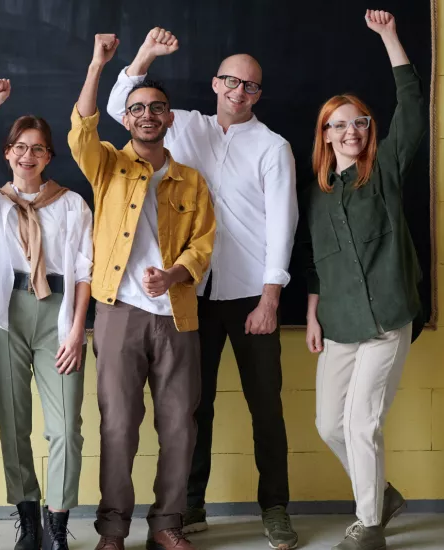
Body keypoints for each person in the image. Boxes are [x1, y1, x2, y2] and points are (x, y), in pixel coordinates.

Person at [106, 27, 299, 548]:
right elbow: (118, 105)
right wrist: (143, 55)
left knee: (266, 404)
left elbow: (284, 225)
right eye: (232, 81)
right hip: (188, 294)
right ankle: (191, 504)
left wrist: (270, 297)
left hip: (248, 295)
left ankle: (275, 506)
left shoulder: (273, 147)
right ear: (216, 83)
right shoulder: (182, 125)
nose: (239, 91)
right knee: (193, 406)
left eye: (251, 86)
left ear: (259, 94)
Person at [70, 33, 215, 550]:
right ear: (126, 118)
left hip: (177, 315)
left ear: (170, 117)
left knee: (179, 425)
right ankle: (113, 530)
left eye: (157, 108)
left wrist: (174, 274)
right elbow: (81, 129)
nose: (148, 115)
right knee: (119, 426)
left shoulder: (191, 181)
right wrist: (96, 65)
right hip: (119, 311)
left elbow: (203, 244)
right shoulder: (107, 165)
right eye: (138, 109)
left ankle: (168, 525)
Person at [303, 10, 423, 550]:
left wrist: (389, 36)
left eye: (360, 122)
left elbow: (413, 108)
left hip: (387, 320)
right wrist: (312, 315)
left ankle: (369, 525)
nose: (352, 131)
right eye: (340, 124)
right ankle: (383, 495)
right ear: (325, 136)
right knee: (330, 425)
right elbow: (316, 261)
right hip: (339, 325)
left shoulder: (387, 171)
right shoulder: (320, 195)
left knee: (362, 425)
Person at [0, 78, 93, 550]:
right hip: (5, 316)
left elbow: (84, 272)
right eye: (19, 148)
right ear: (8, 153)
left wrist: (78, 329)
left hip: (58, 314)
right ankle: (28, 520)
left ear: (49, 157)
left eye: (37, 149)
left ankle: (57, 523)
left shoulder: (73, 204)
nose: (27, 156)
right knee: (13, 424)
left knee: (65, 428)